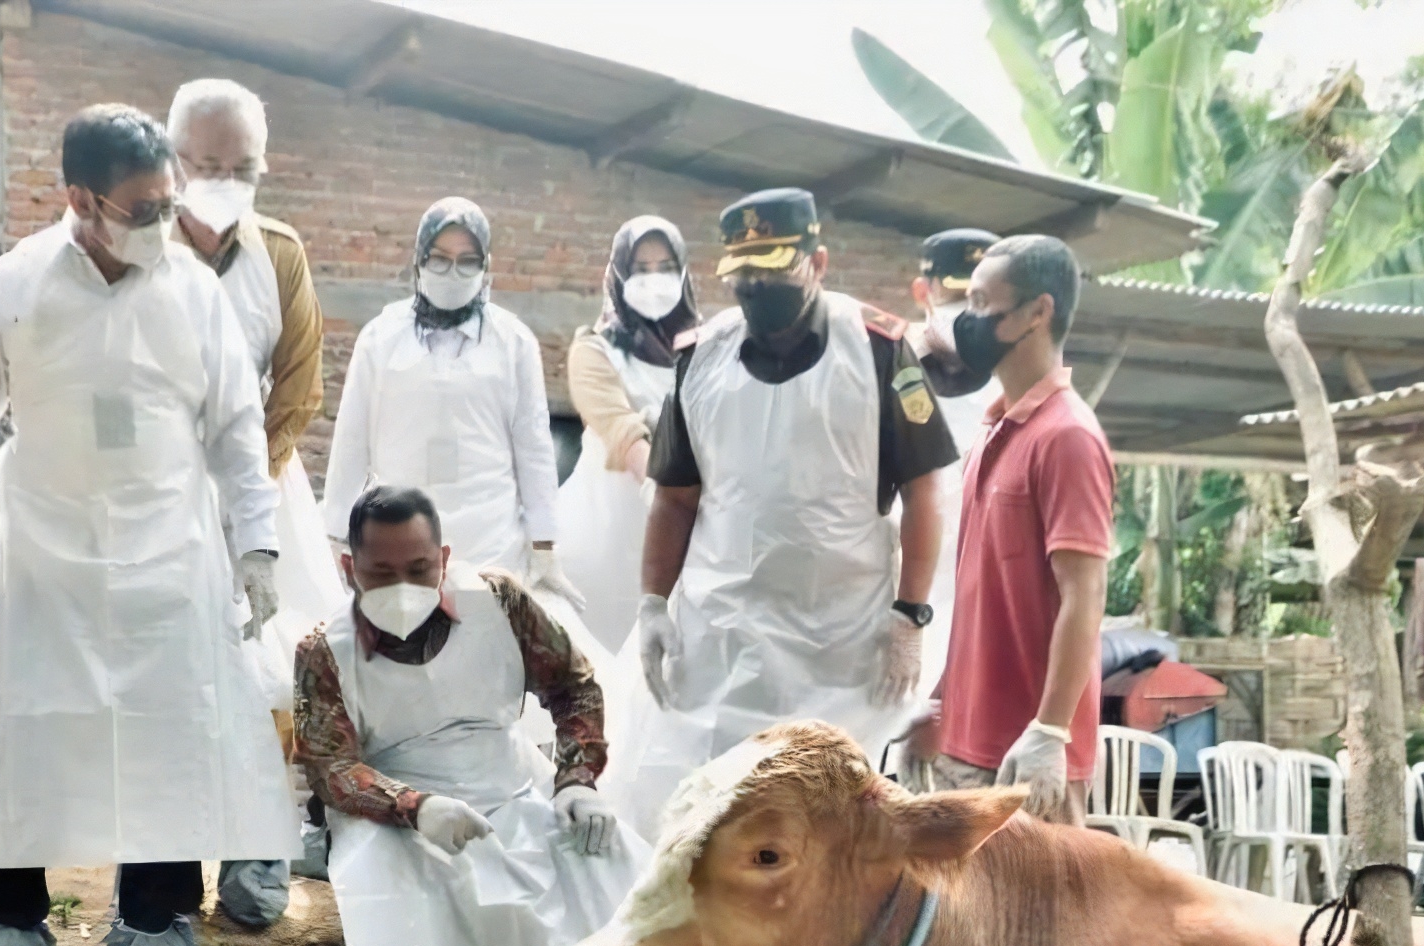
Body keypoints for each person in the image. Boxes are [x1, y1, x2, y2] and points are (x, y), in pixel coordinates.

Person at [0, 103, 297, 946]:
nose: (165, 223)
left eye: (168, 202)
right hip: (44, 546)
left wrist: (259, 550)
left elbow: (239, 437)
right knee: (27, 729)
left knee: (168, 735)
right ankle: (9, 915)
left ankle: (155, 920)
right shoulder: (16, 284)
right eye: (143, 208)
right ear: (78, 199)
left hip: (169, 550)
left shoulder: (196, 292)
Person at [606, 187, 957, 838]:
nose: (758, 285)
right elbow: (675, 498)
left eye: (775, 267)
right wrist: (652, 602)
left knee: (825, 824)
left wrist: (910, 615)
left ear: (817, 262)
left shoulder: (877, 350)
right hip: (724, 632)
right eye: (744, 273)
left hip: (839, 639)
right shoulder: (700, 356)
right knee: (712, 818)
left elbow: (923, 491)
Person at [297, 486, 640, 946]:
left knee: (603, 861)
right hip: (399, 799)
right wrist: (413, 806)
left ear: (446, 559)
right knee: (414, 887)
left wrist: (577, 780)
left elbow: (572, 685)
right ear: (347, 567)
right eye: (381, 573)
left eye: (419, 568)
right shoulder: (324, 650)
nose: (403, 588)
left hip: (508, 778)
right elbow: (329, 763)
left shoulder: (499, 603)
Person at [166, 76, 337, 931]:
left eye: (239, 166)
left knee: (273, 674)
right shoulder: (139, 245)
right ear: (172, 161)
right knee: (177, 680)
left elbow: (299, 384)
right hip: (157, 499)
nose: (219, 179)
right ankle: (168, 860)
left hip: (262, 492)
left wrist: (247, 490)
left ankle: (257, 849)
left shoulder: (278, 253)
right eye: (203, 163)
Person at [917, 234, 1112, 824]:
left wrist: (1050, 731)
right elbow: (981, 594)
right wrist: (937, 703)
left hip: (1023, 757)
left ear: (1038, 312)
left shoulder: (1067, 437)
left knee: (1039, 919)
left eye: (981, 304)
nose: (967, 320)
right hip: (964, 741)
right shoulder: (995, 428)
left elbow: (1086, 594)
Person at [321, 198, 585, 609]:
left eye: (467, 261)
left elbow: (533, 447)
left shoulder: (513, 342)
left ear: (485, 267)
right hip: (398, 541)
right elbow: (352, 440)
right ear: (418, 261)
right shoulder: (380, 337)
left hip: (491, 541)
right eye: (440, 259)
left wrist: (545, 543)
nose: (452, 273)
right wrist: (336, 533)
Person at [557, 216, 700, 651]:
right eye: (640, 269)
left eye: (665, 268)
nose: (653, 281)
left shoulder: (703, 351)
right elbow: (622, 431)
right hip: (607, 534)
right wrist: (663, 492)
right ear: (618, 276)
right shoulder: (594, 350)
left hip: (685, 532)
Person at [895, 227, 999, 784]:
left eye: (980, 301)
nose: (967, 313)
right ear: (923, 291)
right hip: (900, 594)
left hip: (981, 598)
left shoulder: (1014, 381)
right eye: (956, 297)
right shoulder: (886, 369)